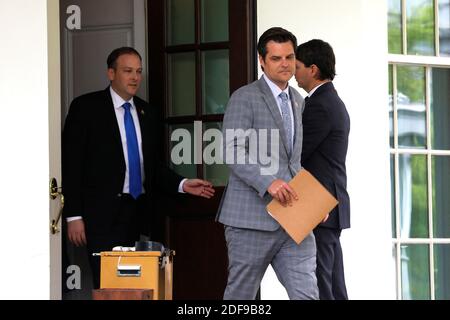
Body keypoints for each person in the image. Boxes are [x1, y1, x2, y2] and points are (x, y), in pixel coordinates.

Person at [62, 47, 215, 289]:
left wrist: (183, 184)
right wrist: (74, 215)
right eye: (128, 71)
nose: (135, 77)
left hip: (138, 213)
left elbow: (152, 166)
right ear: (111, 73)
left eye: (138, 72)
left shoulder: (148, 112)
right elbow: (71, 163)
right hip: (99, 216)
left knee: (136, 286)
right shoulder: (86, 108)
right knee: (107, 285)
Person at [216, 27, 319, 300]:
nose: (284, 63)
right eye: (276, 58)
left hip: (293, 219)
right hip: (251, 220)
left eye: (289, 57)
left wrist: (314, 203)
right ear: (262, 60)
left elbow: (292, 161)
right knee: (241, 296)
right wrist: (268, 182)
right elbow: (231, 149)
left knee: (307, 293)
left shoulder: (298, 100)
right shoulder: (244, 97)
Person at [294, 39, 350, 300]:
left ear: (312, 69)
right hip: (329, 204)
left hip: (321, 206)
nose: (294, 72)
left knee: (321, 283)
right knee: (333, 282)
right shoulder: (330, 101)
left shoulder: (320, 105)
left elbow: (297, 153)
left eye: (297, 66)